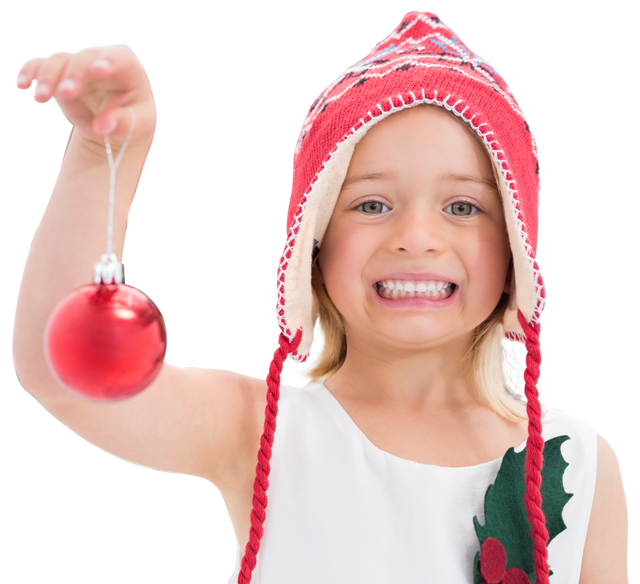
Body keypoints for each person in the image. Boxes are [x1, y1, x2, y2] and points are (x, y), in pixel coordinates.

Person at [10, 10, 630, 584]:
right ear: (315, 243)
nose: (416, 238)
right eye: (372, 205)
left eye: (463, 207)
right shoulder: (258, 430)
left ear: (517, 248)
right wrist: (103, 153)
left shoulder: (579, 462)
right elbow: (62, 370)